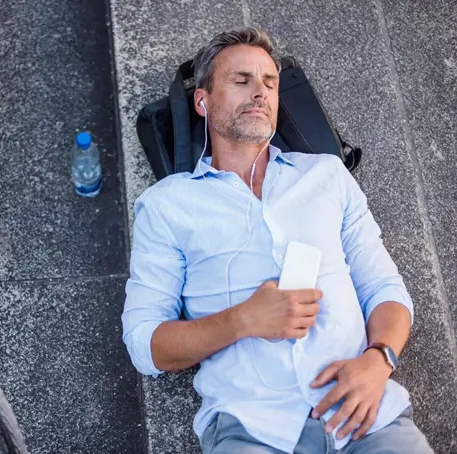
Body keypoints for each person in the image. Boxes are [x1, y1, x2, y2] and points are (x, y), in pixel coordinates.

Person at [121, 27, 433, 454]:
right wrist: (242, 320)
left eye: (269, 83)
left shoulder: (327, 175)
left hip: (368, 416)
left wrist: (380, 359)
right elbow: (144, 343)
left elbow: (385, 290)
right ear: (203, 101)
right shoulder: (167, 206)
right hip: (253, 429)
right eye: (241, 80)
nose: (260, 93)